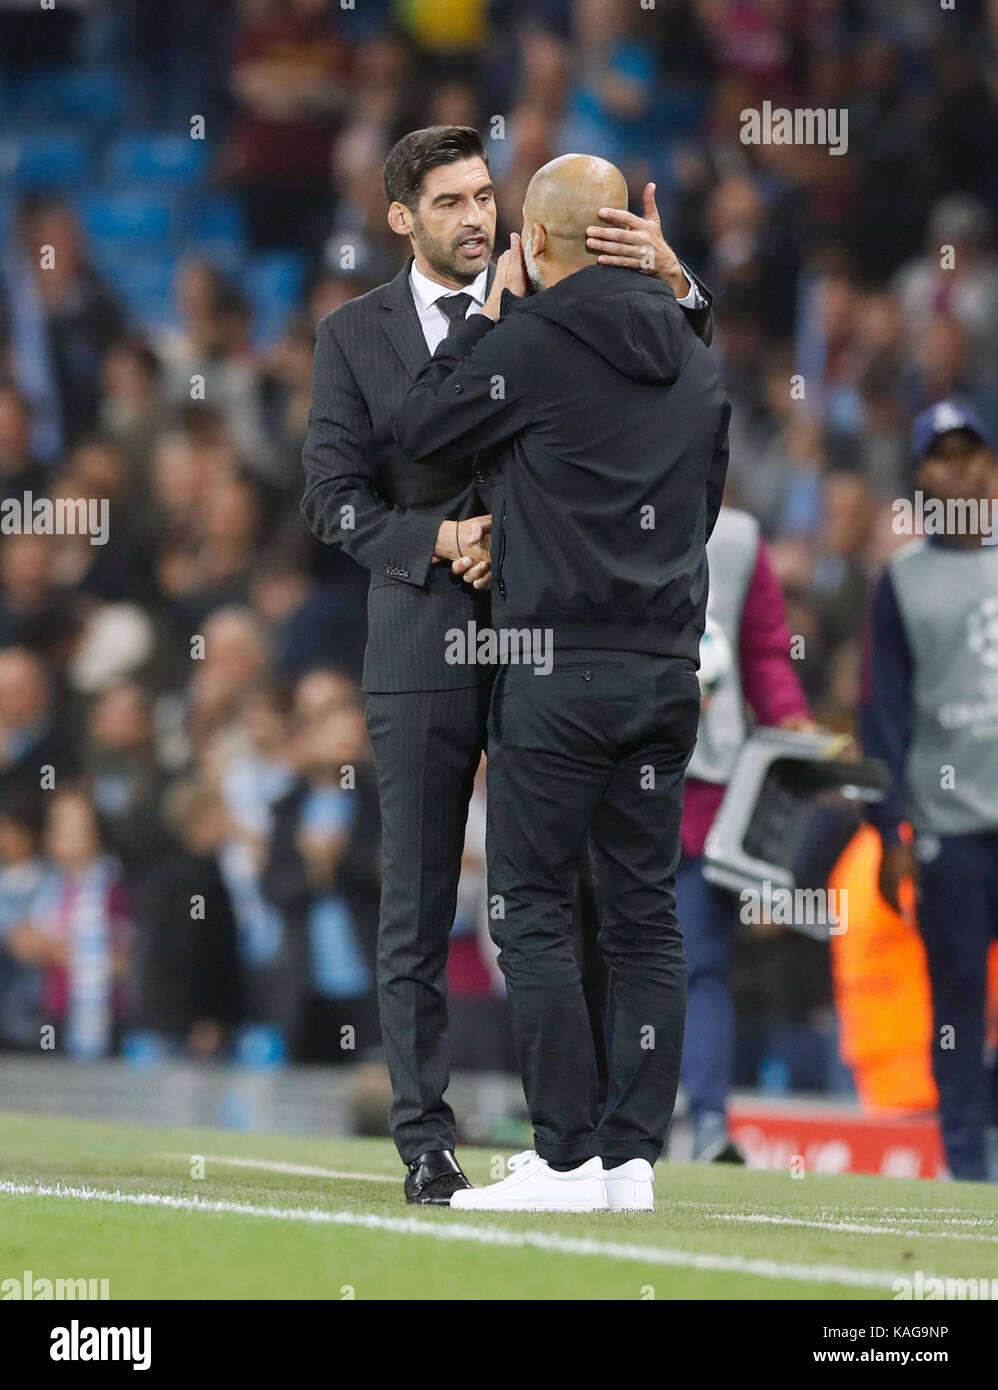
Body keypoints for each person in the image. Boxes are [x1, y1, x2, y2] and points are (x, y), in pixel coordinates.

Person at [301, 125, 713, 1204]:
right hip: (433, 639)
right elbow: (332, 497)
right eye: (447, 203)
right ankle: (428, 1136)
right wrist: (436, 540)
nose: (473, 219)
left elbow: (644, 387)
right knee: (424, 903)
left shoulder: (546, 313)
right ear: (400, 218)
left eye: (484, 198)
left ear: (516, 217)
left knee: (565, 904)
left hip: (548, 652)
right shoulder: (352, 336)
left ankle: (577, 1146)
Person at [861, 400, 998, 1182]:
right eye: (941, 457)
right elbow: (884, 717)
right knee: (958, 1005)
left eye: (969, 453)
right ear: (923, 476)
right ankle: (971, 1173)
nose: (959, 469)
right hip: (950, 832)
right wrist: (888, 830)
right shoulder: (900, 583)